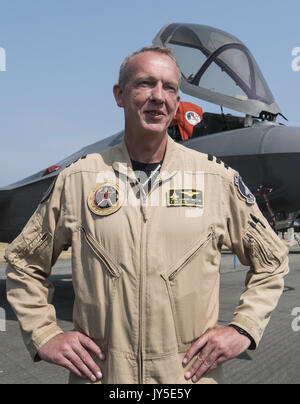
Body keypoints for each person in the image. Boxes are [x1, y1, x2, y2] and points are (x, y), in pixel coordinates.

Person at [6, 46, 289, 384]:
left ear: (177, 100)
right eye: (145, 84)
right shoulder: (79, 179)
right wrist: (45, 334)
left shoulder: (215, 180)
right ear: (119, 94)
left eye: (169, 87)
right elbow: (24, 262)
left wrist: (243, 327)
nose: (158, 96)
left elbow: (272, 261)